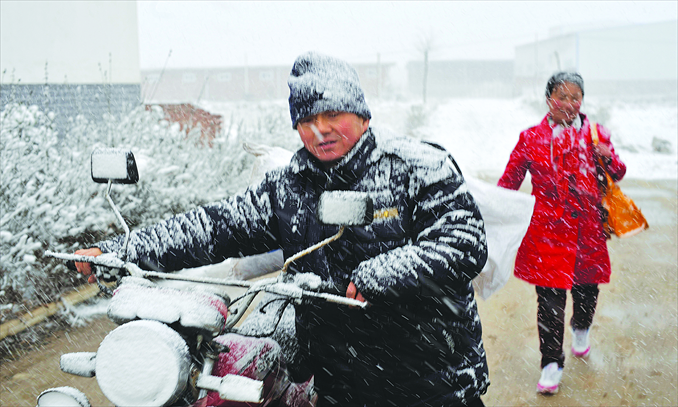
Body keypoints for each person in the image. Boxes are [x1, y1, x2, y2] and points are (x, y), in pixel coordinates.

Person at [76, 51, 489, 406]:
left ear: (362, 114)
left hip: (430, 375)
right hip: (341, 380)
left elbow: (464, 242)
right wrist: (120, 250)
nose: (320, 130)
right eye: (306, 120)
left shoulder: (417, 167)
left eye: (333, 115)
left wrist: (383, 273)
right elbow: (216, 226)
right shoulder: (291, 185)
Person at [497, 72, 626, 394]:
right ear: (548, 99)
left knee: (586, 291)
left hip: (587, 230)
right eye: (562, 97)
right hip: (547, 232)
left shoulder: (596, 135)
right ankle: (551, 362)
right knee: (549, 301)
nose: (569, 104)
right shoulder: (531, 138)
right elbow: (509, 182)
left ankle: (581, 327)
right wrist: (492, 208)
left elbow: (619, 172)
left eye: (575, 97)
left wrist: (608, 159)